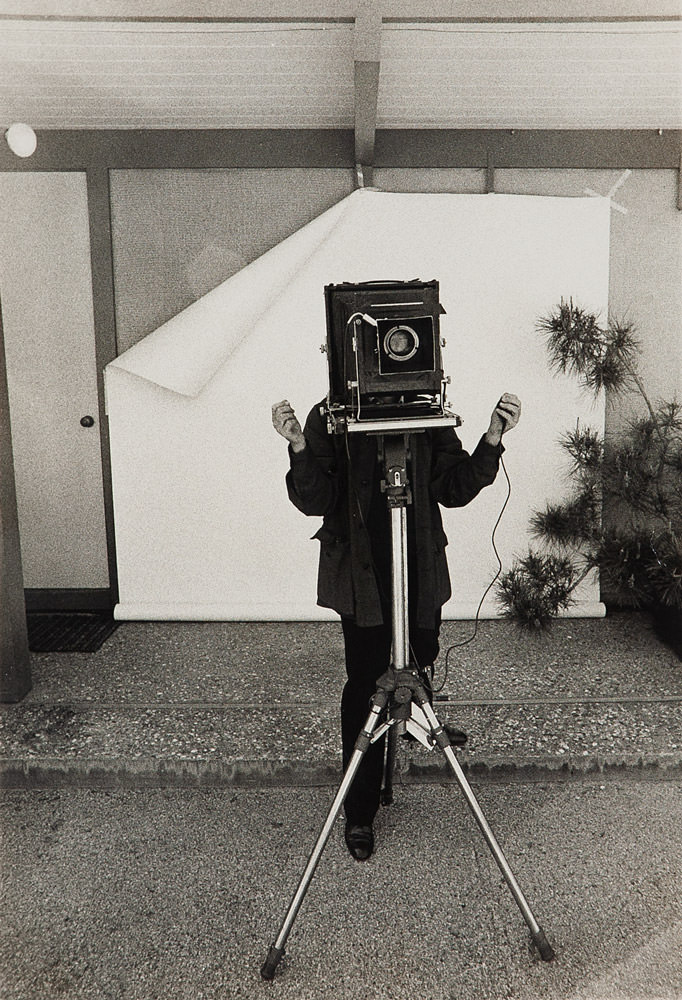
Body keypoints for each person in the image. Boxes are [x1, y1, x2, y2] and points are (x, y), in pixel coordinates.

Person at [272, 392, 521, 861]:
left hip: (418, 567)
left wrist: (492, 439)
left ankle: (410, 716)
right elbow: (315, 500)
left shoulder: (427, 410)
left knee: (421, 653)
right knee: (365, 683)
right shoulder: (330, 414)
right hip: (361, 575)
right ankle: (360, 811)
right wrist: (299, 448)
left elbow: (453, 488)